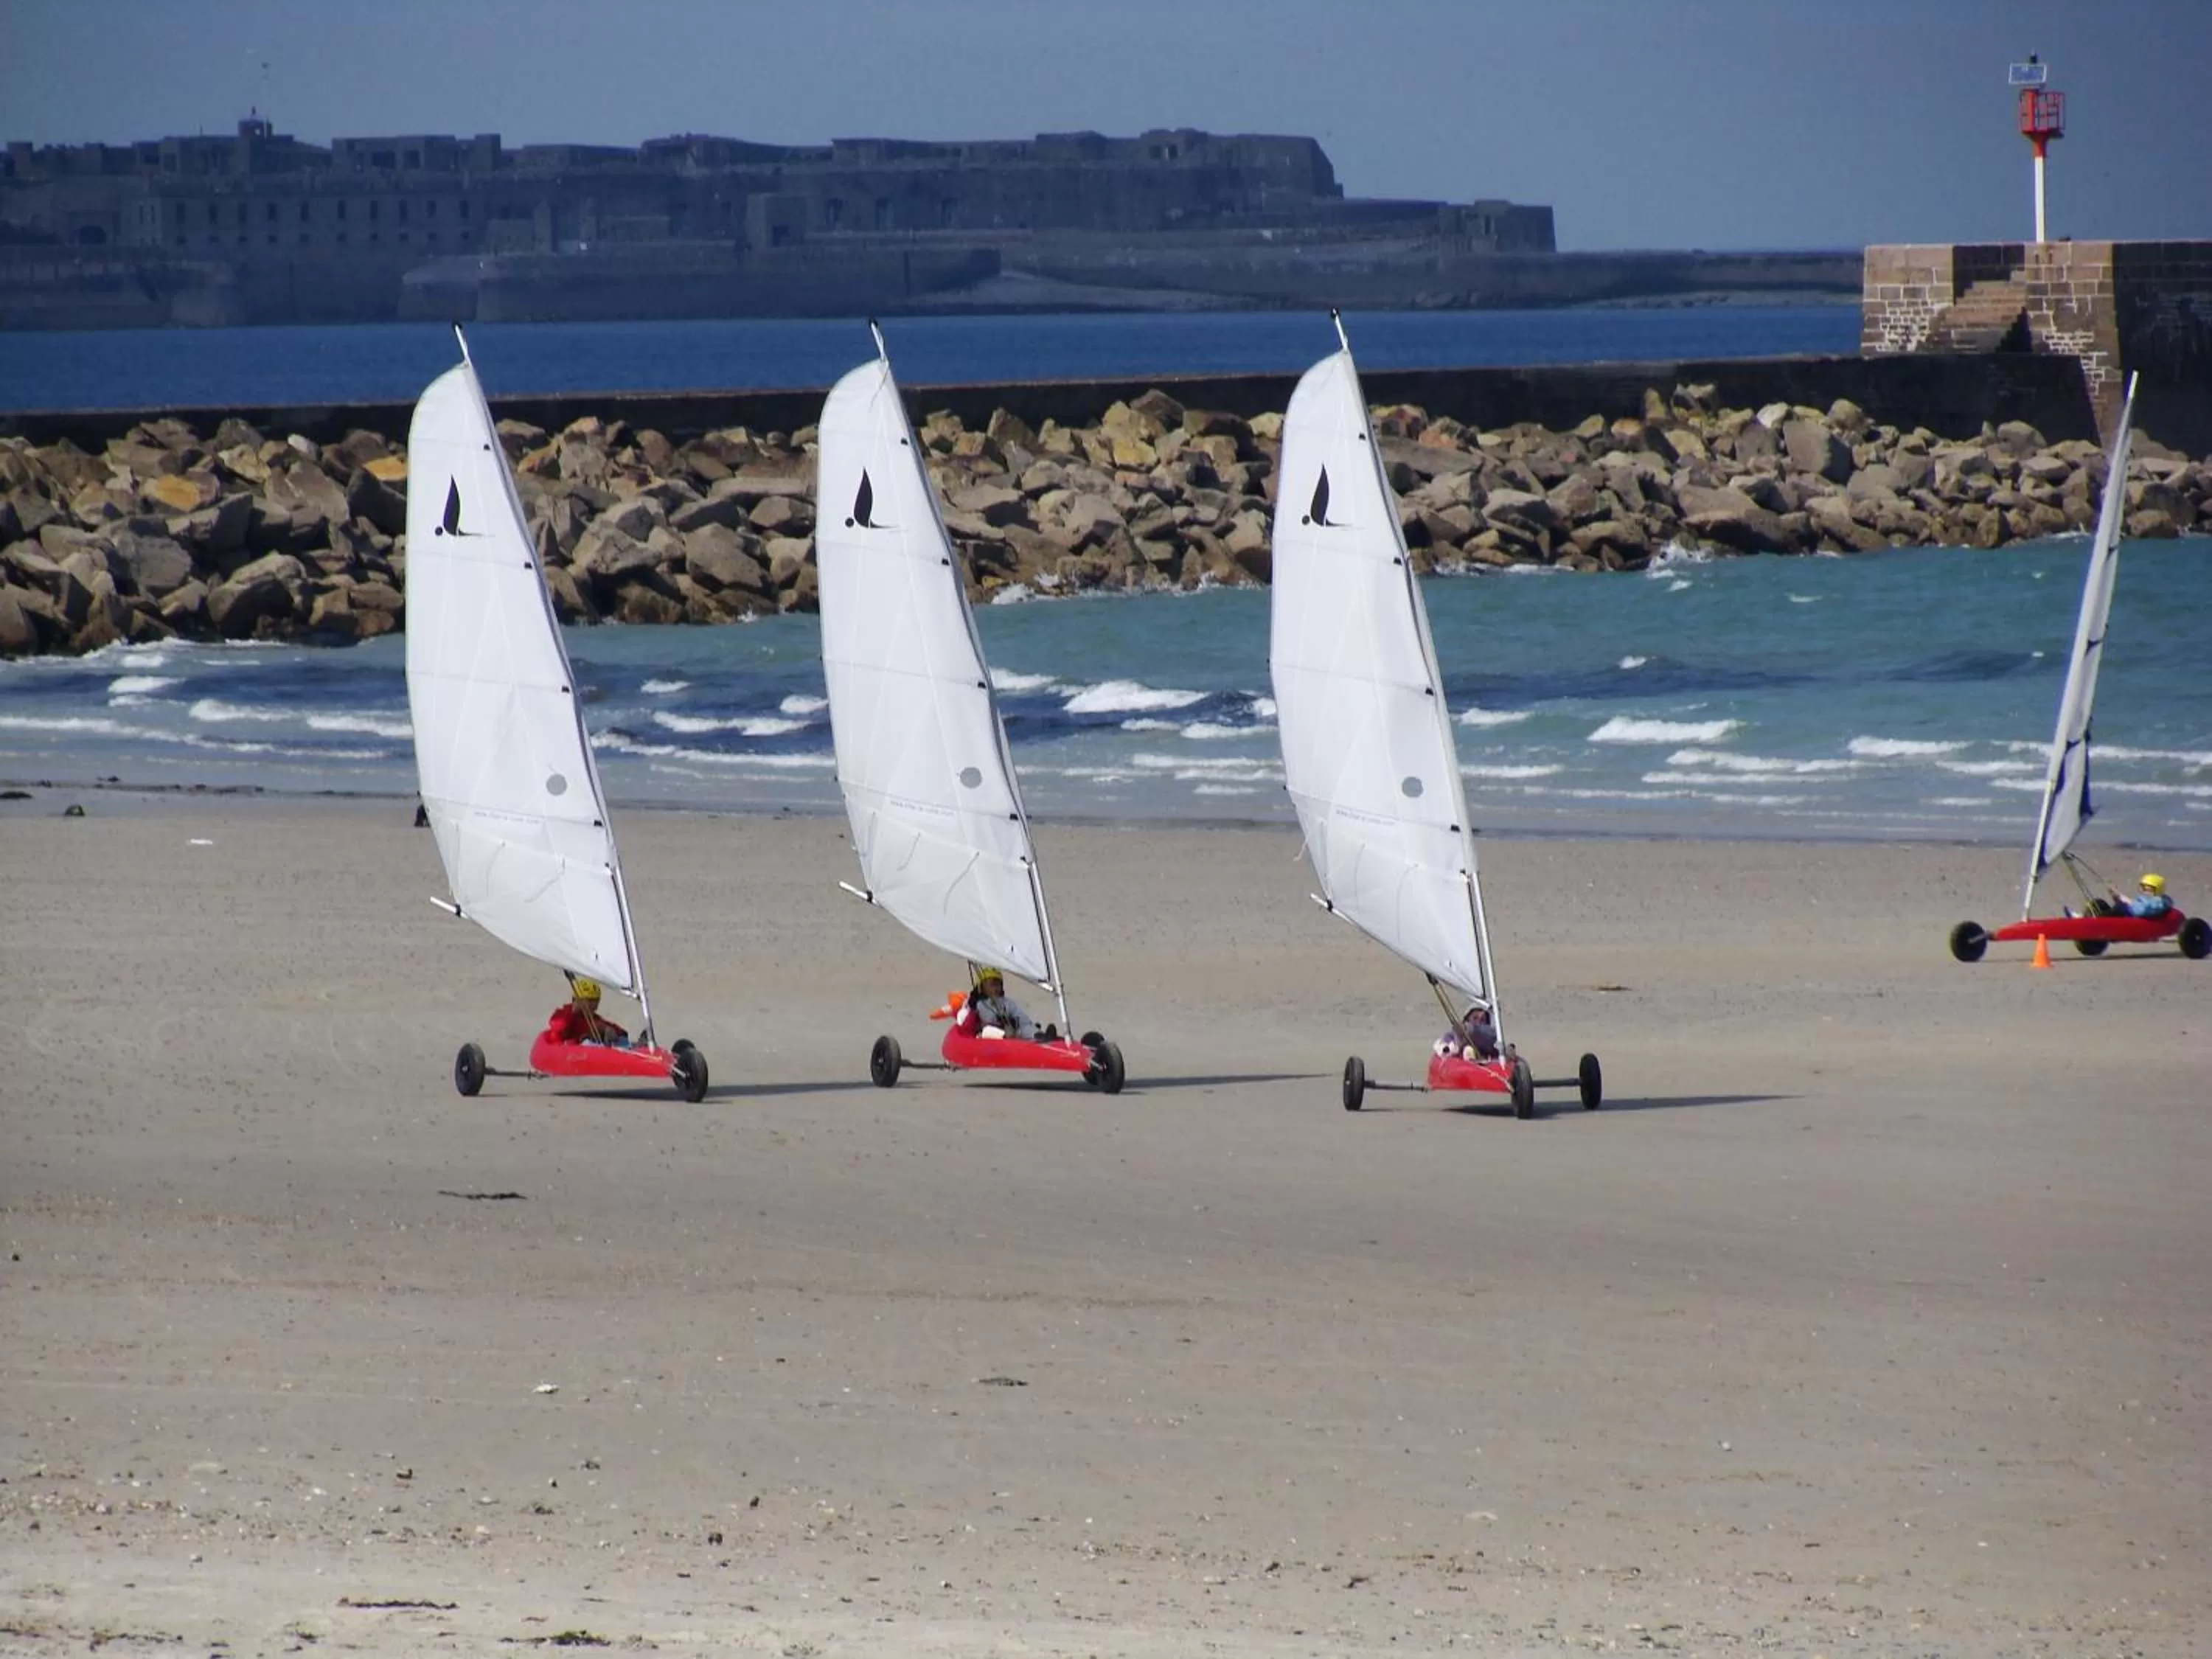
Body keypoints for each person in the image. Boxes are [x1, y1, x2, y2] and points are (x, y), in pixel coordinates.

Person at [956, 967, 1051, 1041]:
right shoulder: (976, 1003)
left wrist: (1019, 1024)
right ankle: (1006, 1037)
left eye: (999, 984)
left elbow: (1020, 1016)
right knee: (987, 1031)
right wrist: (973, 1009)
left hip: (1010, 1031)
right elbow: (968, 1024)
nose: (997, 988)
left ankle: (1041, 1036)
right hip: (985, 1036)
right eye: (993, 984)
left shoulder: (1006, 1002)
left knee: (1026, 1028)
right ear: (981, 987)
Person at [546, 976, 629, 1046]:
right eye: (587, 1000)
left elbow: (623, 1033)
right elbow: (558, 1030)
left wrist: (608, 1029)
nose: (590, 1004)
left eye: (594, 1000)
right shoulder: (563, 1014)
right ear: (575, 1000)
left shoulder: (595, 1020)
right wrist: (573, 1011)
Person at [1433, 999, 1500, 1062]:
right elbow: (1445, 1046)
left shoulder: (1489, 1041)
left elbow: (1490, 1037)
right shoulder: (1451, 1036)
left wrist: (1470, 1029)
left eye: (1482, 1020)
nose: (1478, 1023)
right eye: (1475, 1018)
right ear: (1467, 1020)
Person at [2108, 872, 2175, 919]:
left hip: (2134, 920)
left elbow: (2140, 911)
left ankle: (2100, 923)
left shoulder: (2157, 903)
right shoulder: (2152, 900)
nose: (2143, 891)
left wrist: (2128, 902)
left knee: (2118, 907)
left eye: (2147, 889)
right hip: (2130, 914)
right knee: (2101, 903)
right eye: (2142, 888)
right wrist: (2117, 896)